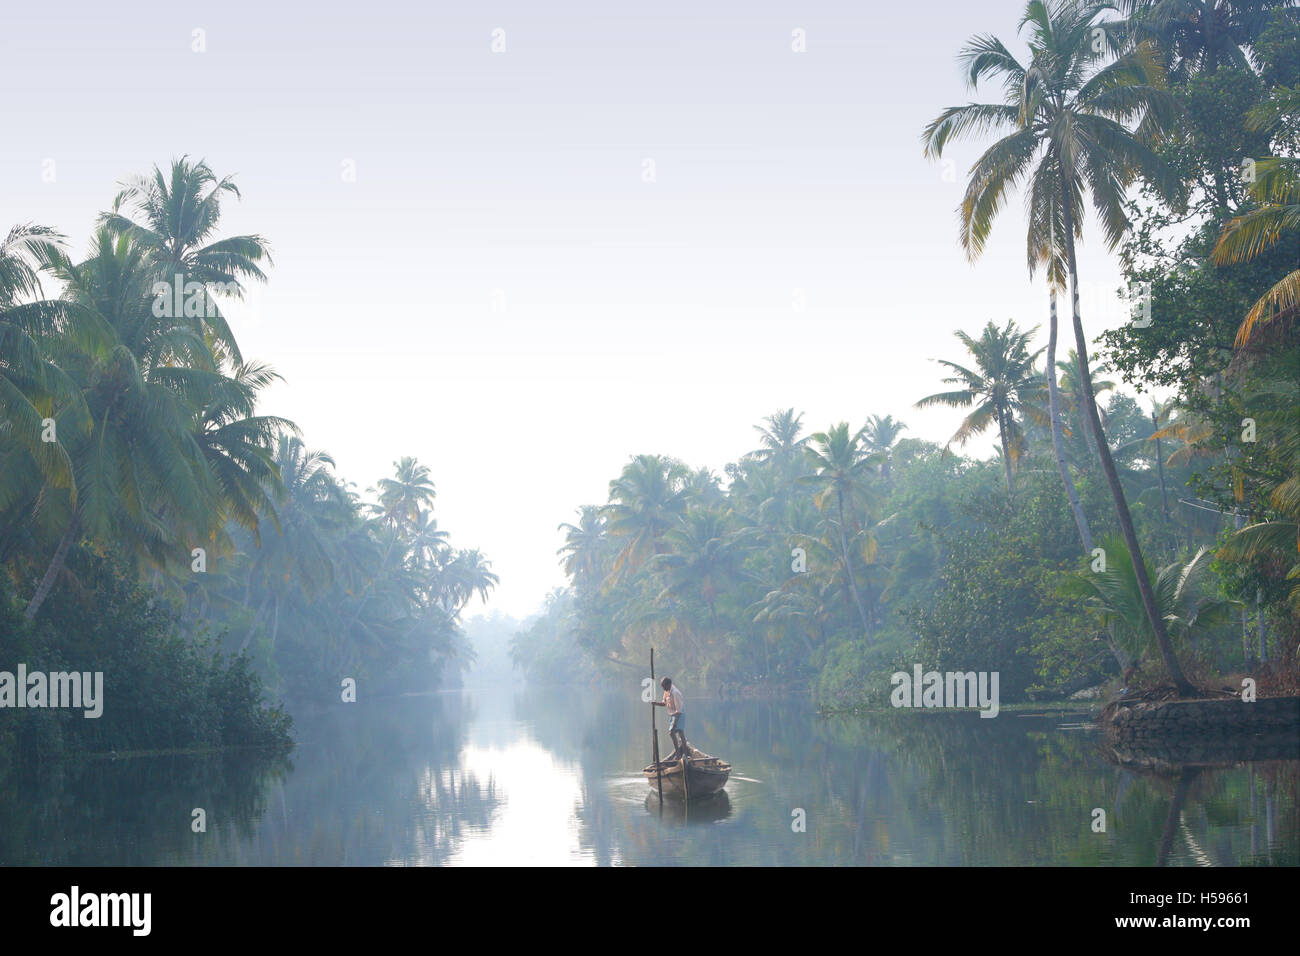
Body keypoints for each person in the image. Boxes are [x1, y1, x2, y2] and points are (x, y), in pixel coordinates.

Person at [652, 676, 687, 759]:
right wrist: (655, 703)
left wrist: (675, 723)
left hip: (679, 713)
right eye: (662, 686)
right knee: (677, 733)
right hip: (673, 714)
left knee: (675, 732)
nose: (663, 688)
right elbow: (664, 703)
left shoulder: (675, 693)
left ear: (669, 684)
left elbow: (679, 711)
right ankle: (680, 754)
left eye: (664, 686)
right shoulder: (666, 691)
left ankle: (682, 755)